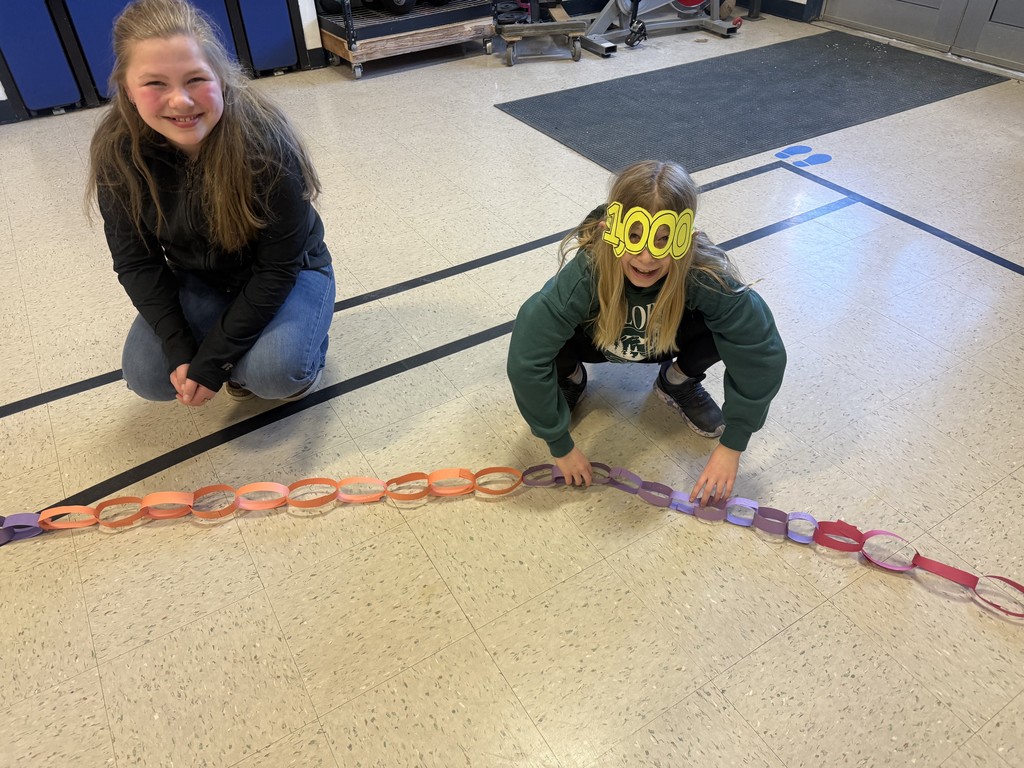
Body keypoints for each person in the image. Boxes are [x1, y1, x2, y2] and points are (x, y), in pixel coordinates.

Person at [87, 0, 334, 407]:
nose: (181, 102)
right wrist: (180, 347)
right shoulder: (117, 154)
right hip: (202, 277)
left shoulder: (264, 142)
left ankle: (309, 347)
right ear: (127, 90)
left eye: (195, 79)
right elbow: (137, 262)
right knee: (148, 375)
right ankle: (236, 342)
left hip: (291, 271)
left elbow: (277, 266)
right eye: (155, 84)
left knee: (273, 373)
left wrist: (216, 360)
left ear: (220, 77)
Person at [507, 160, 786, 505]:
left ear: (688, 238)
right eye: (634, 236)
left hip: (663, 343)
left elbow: (759, 348)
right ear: (612, 230)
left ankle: (677, 381)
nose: (646, 256)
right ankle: (572, 377)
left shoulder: (700, 273)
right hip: (596, 343)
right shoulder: (588, 271)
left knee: (728, 325)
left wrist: (733, 444)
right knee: (547, 329)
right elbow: (527, 354)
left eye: (664, 240)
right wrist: (558, 443)